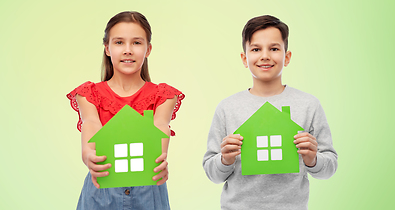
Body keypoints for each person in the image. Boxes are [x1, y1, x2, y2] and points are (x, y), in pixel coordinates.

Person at [203, 15, 337, 210]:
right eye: (256, 49)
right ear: (244, 58)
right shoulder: (227, 108)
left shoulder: (309, 105)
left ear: (287, 56)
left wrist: (313, 158)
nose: (265, 55)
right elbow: (212, 173)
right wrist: (225, 159)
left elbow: (329, 167)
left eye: (274, 48)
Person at [67, 11, 184, 210]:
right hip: (101, 190)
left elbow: (160, 128)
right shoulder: (89, 94)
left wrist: (160, 160)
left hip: (148, 190)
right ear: (107, 48)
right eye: (119, 42)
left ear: (148, 49)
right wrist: (88, 156)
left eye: (137, 43)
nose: (128, 50)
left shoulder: (163, 95)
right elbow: (91, 125)